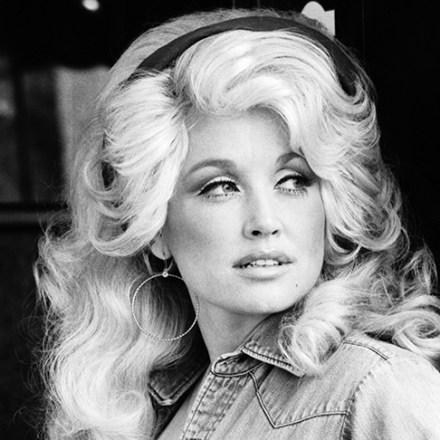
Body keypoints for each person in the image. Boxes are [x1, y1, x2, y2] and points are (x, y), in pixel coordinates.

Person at [34, 7, 440, 440]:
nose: (264, 221)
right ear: (153, 229)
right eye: (221, 187)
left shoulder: (377, 388)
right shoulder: (141, 407)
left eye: (293, 181)